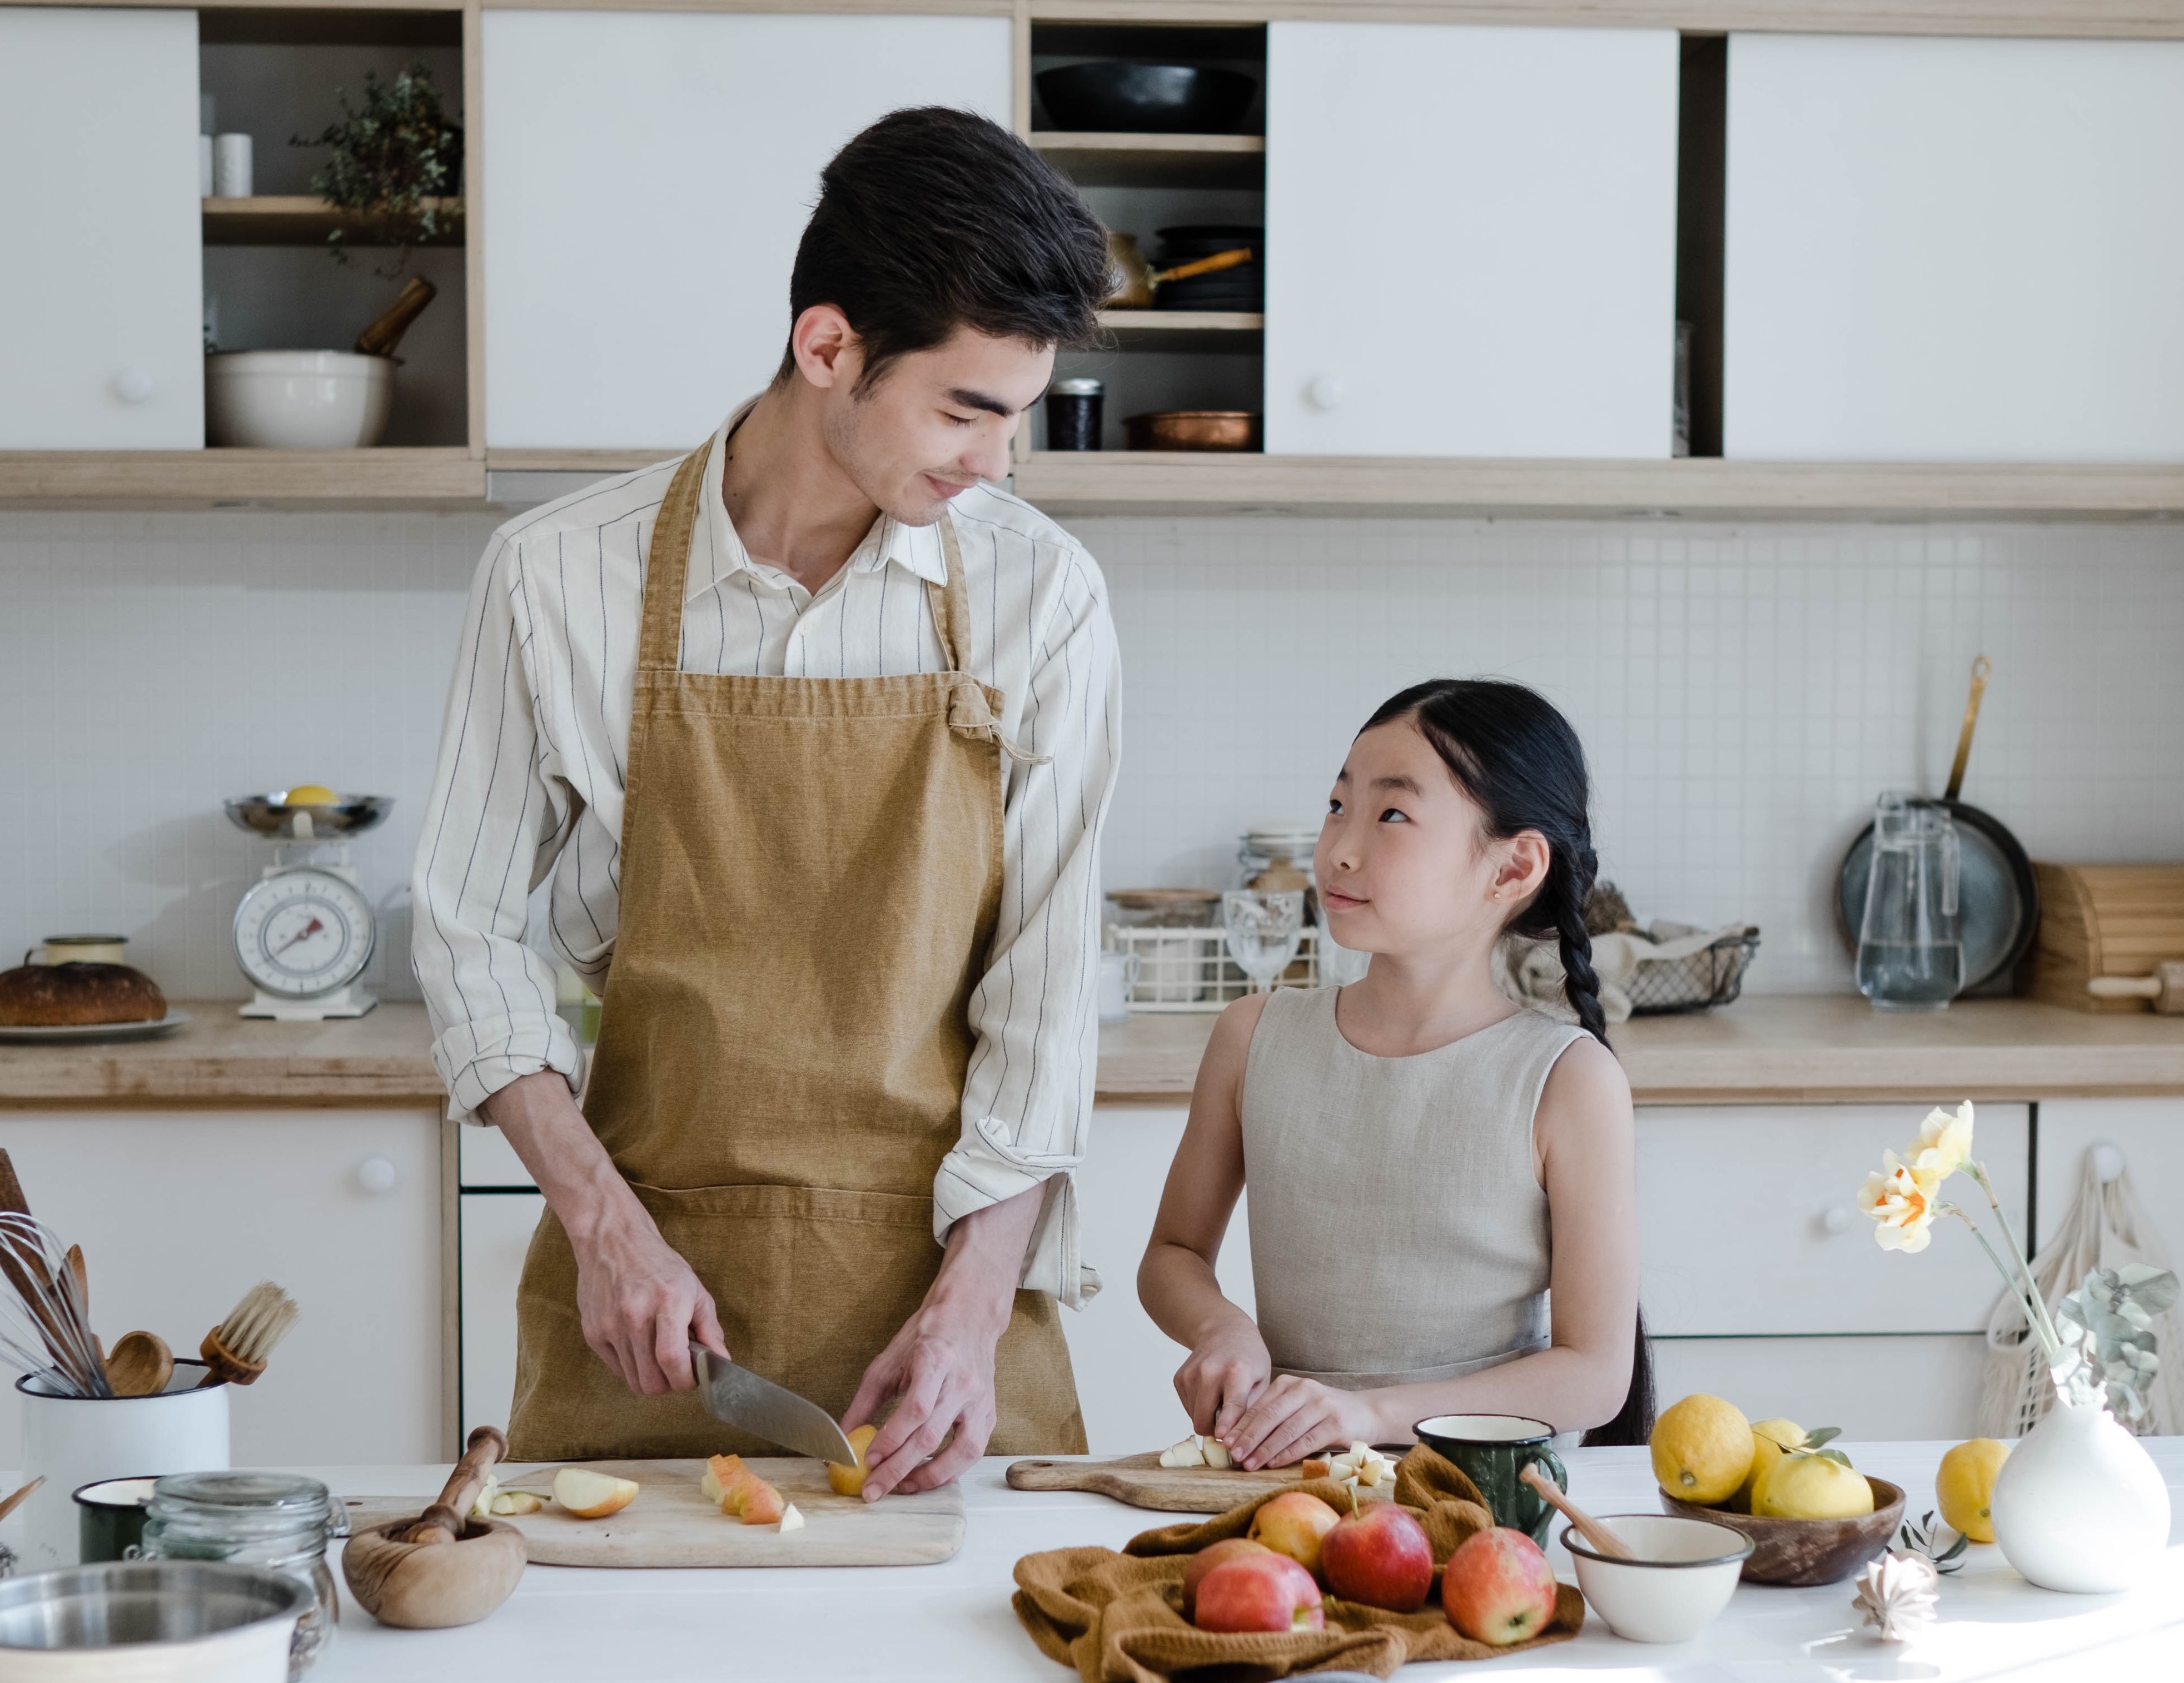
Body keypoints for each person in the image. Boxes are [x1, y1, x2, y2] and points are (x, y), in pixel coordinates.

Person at [411, 108, 1119, 1499]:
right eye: (966, 410)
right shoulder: (558, 578)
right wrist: (603, 1228)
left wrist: (971, 1313)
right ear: (828, 348)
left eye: (1018, 416)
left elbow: (1047, 989)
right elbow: (468, 932)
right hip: (651, 1318)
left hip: (941, 1325)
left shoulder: (1045, 597)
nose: (998, 462)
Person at [1138, 679, 1651, 1469]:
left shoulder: (1566, 1079)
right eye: (1338, 805)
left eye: (1391, 815)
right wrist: (1221, 1328)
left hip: (1477, 1491)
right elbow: (1172, 1252)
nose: (1339, 846)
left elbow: (1593, 1375)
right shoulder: (1254, 1037)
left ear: (1512, 868)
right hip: (1288, 1481)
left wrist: (1370, 1413)